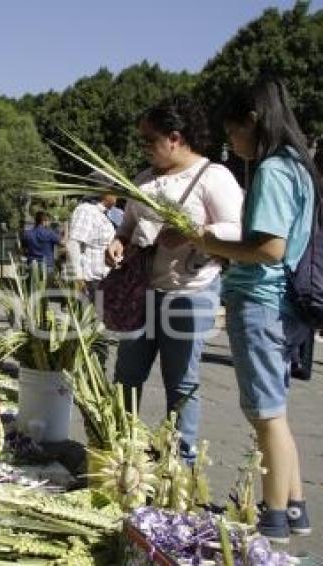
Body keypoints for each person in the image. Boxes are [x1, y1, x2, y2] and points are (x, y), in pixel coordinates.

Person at [190, 78, 315, 542]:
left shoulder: (273, 171)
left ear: (253, 121)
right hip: (285, 305)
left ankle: (275, 516)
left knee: (265, 416)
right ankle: (296, 507)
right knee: (275, 413)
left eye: (233, 134)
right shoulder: (299, 167)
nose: (233, 145)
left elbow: (269, 248)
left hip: (262, 302)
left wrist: (209, 241)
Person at [106, 95, 243, 462]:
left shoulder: (213, 177)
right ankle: (119, 449)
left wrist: (192, 233)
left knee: (181, 381)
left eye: (149, 140)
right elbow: (129, 224)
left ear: (175, 138)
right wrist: (118, 241)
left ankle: (179, 463)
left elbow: (237, 231)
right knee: (126, 375)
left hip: (190, 293)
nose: (144, 147)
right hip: (142, 292)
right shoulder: (143, 180)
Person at [66, 194, 118, 300]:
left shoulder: (101, 213)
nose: (117, 196)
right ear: (105, 192)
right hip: (91, 281)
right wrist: (78, 277)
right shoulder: (86, 211)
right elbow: (74, 243)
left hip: (102, 279)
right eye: (115, 192)